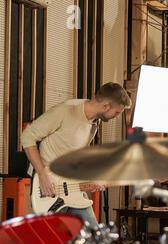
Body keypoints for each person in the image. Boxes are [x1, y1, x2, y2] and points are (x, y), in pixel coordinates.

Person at [22, 82, 132, 229]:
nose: (116, 117)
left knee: (93, 240)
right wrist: (42, 174)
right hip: (48, 187)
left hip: (71, 188)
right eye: (117, 112)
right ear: (105, 106)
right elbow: (27, 136)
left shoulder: (94, 121)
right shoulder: (66, 110)